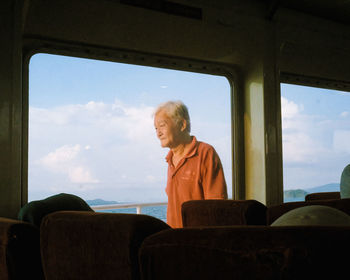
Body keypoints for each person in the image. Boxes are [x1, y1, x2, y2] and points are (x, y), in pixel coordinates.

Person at [154, 100, 228, 228]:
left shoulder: (205, 153)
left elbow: (217, 205)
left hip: (198, 239)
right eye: (156, 128)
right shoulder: (170, 159)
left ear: (182, 124)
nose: (158, 133)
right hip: (174, 237)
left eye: (162, 125)